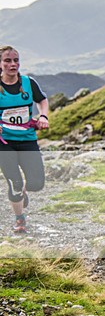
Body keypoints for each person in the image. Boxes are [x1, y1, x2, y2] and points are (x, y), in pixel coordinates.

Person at [0, 46, 50, 235]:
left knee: (37, 183)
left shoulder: (29, 83)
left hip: (28, 139)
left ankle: (23, 193)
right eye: (7, 60)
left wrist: (43, 116)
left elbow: (42, 100)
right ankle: (19, 219)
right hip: (4, 142)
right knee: (15, 182)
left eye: (16, 60)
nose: (12, 64)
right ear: (0, 64)